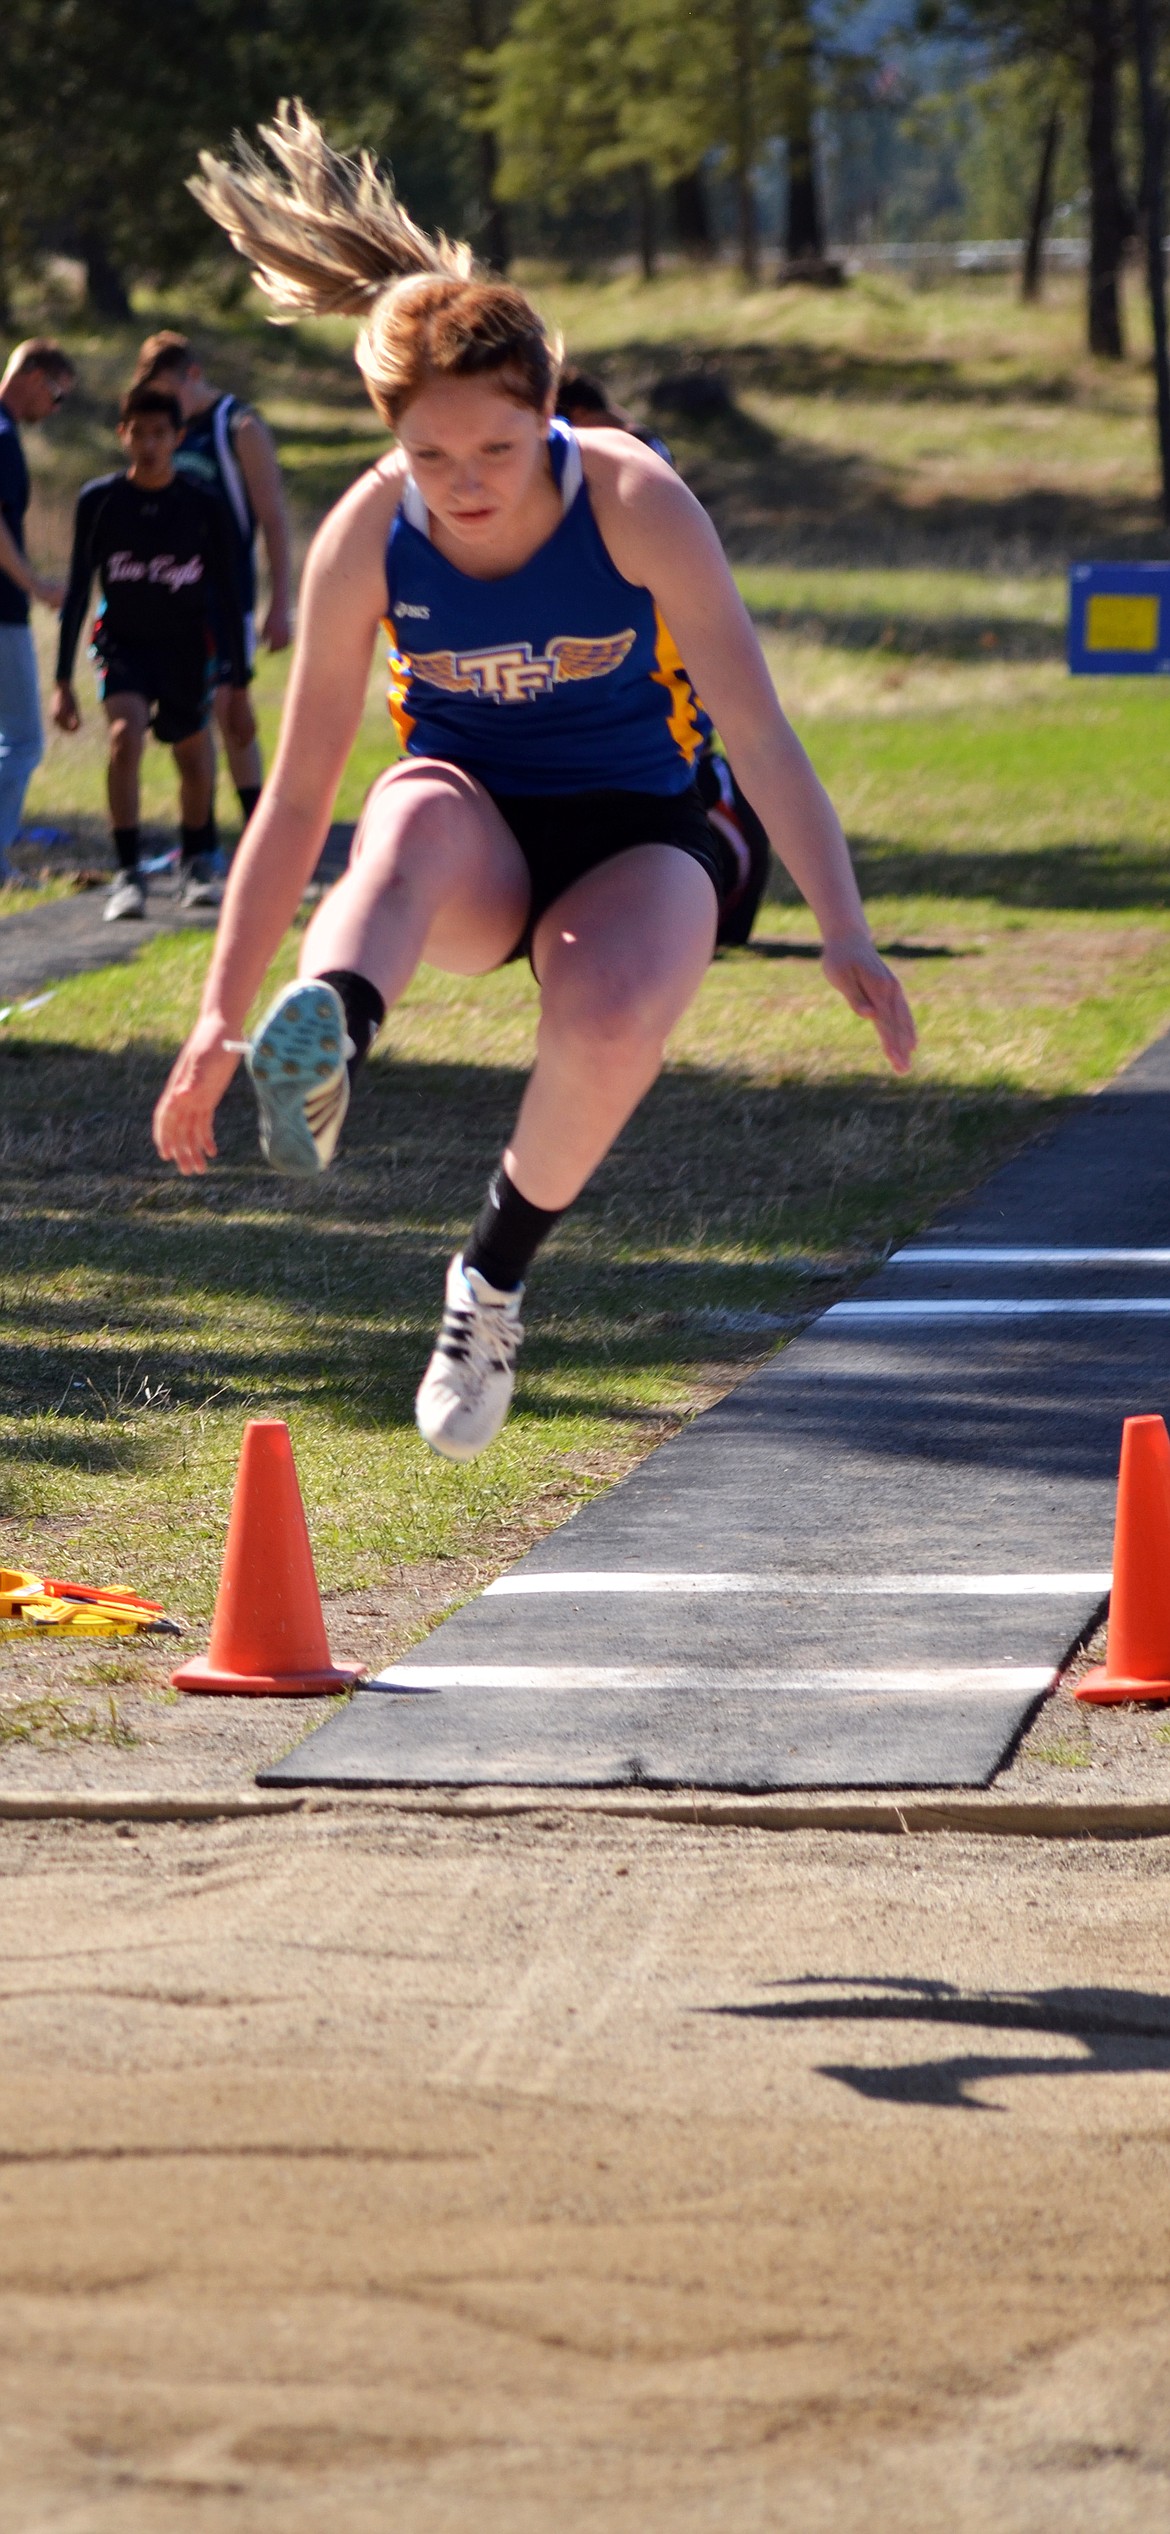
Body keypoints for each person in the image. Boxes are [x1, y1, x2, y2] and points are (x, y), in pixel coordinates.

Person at [153, 104, 915, 1465]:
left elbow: (757, 724)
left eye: (495, 453)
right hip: (471, 833)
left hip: (640, 830)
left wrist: (844, 925)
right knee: (411, 809)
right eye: (430, 459)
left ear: (547, 414)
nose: (464, 487)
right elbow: (296, 791)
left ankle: (487, 1287)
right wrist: (218, 1010)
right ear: (392, 440)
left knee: (612, 1011)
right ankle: (325, 1031)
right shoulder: (367, 538)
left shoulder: (632, 497)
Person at [556, 361, 770, 948]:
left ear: (572, 414)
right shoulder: (634, 443)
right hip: (646, 629)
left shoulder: (624, 451)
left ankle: (702, 880)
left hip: (657, 634)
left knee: (683, 754)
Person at [53, 382, 250, 921]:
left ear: (178, 438)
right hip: (123, 644)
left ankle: (196, 861)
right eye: (138, 433)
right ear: (123, 435)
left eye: (160, 434)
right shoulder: (100, 501)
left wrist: (239, 678)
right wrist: (63, 680)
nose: (148, 444)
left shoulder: (202, 505)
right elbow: (77, 589)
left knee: (193, 752)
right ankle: (128, 872)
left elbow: (229, 595)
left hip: (187, 646)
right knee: (123, 738)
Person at [132, 330, 292, 837]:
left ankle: (258, 834)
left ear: (193, 377)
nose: (165, 406)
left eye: (170, 391)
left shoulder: (237, 426)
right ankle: (201, 843)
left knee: (232, 710)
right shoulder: (162, 432)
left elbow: (273, 519)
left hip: (230, 595)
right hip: (174, 598)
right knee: (186, 719)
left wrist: (279, 603)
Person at [0, 339, 75, 880]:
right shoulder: (3, 436)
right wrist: (35, 584)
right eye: (56, 395)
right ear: (30, 376)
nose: (55, 410)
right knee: (23, 738)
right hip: (1, 611)